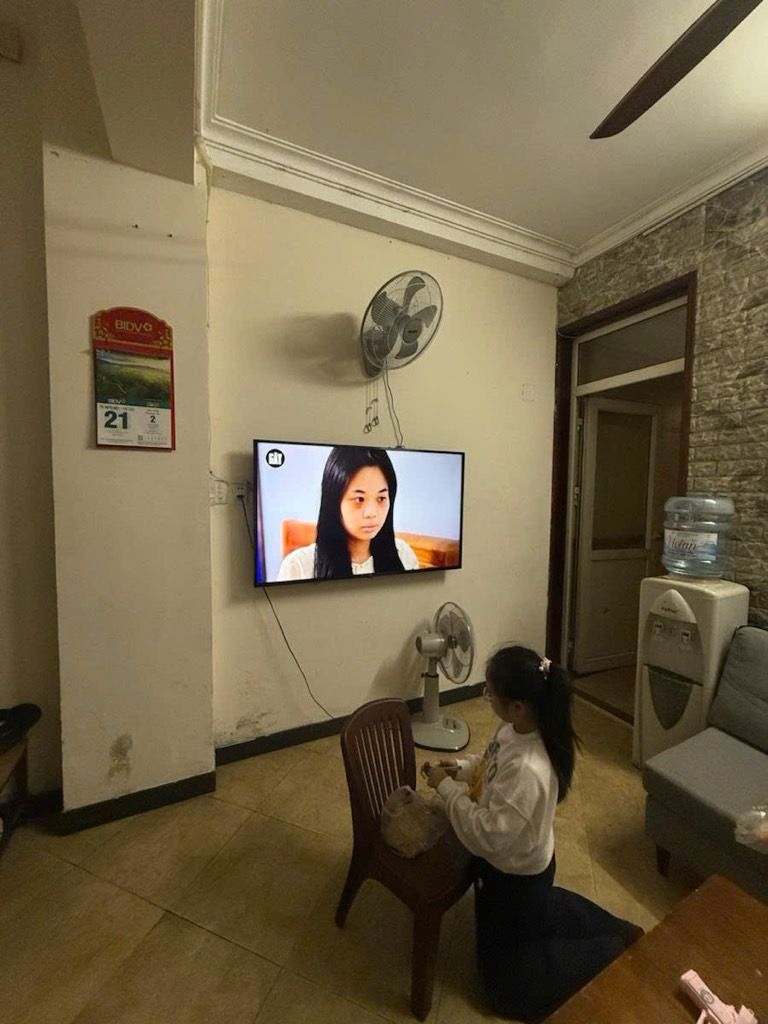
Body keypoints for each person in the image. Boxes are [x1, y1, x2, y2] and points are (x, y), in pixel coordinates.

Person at [422, 645, 643, 1021]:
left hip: (515, 877)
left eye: (491, 693)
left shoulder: (529, 770)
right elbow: (490, 764)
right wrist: (460, 768)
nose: (487, 697)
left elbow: (484, 835)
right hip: (516, 864)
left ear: (518, 707)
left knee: (505, 992)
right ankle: (612, 930)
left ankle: (609, 951)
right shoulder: (513, 729)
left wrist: (446, 789)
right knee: (531, 921)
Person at [276, 446, 420, 581]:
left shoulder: (404, 555)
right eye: (359, 499)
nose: (371, 513)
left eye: (381, 498)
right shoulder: (298, 567)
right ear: (334, 501)